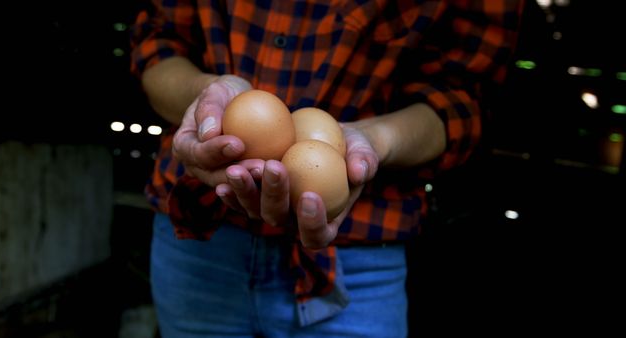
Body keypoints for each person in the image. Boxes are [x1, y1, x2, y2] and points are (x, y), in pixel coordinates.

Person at [130, 0, 525, 337]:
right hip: (201, 236)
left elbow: (464, 99)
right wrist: (206, 98)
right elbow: (158, 45)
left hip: (359, 257)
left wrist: (375, 140)